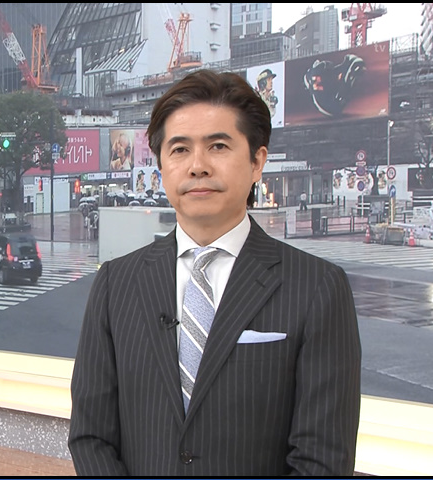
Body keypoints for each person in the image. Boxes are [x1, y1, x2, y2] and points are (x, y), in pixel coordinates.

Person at [68, 69, 361, 476]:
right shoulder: (116, 282)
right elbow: (91, 435)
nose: (197, 166)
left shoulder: (318, 287)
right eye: (179, 149)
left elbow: (322, 460)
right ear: (161, 166)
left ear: (257, 161)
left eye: (218, 146)